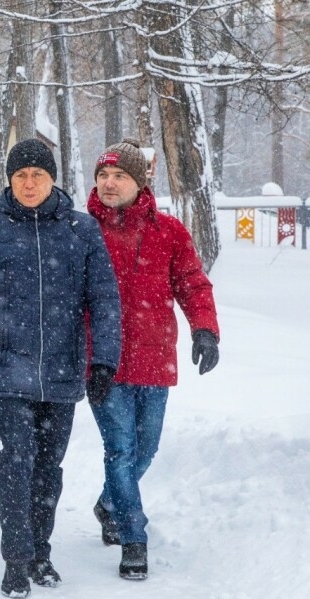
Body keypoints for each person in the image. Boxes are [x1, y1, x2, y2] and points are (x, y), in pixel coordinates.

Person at [0, 138, 121, 598]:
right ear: (9, 179)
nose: (29, 183)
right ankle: (16, 558)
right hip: (8, 370)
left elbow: (104, 301)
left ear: (52, 179)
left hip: (63, 369)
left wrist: (104, 361)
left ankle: (41, 551)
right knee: (16, 462)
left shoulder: (81, 231)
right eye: (21, 175)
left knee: (49, 466)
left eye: (38, 175)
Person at [87, 138, 220, 580]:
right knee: (121, 449)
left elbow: (193, 284)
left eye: (118, 176)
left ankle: (109, 502)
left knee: (146, 448)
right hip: (101, 361)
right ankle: (133, 537)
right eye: (103, 175)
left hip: (154, 357)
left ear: (140, 183)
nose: (109, 183)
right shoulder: (82, 230)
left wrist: (205, 328)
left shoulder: (169, 232)